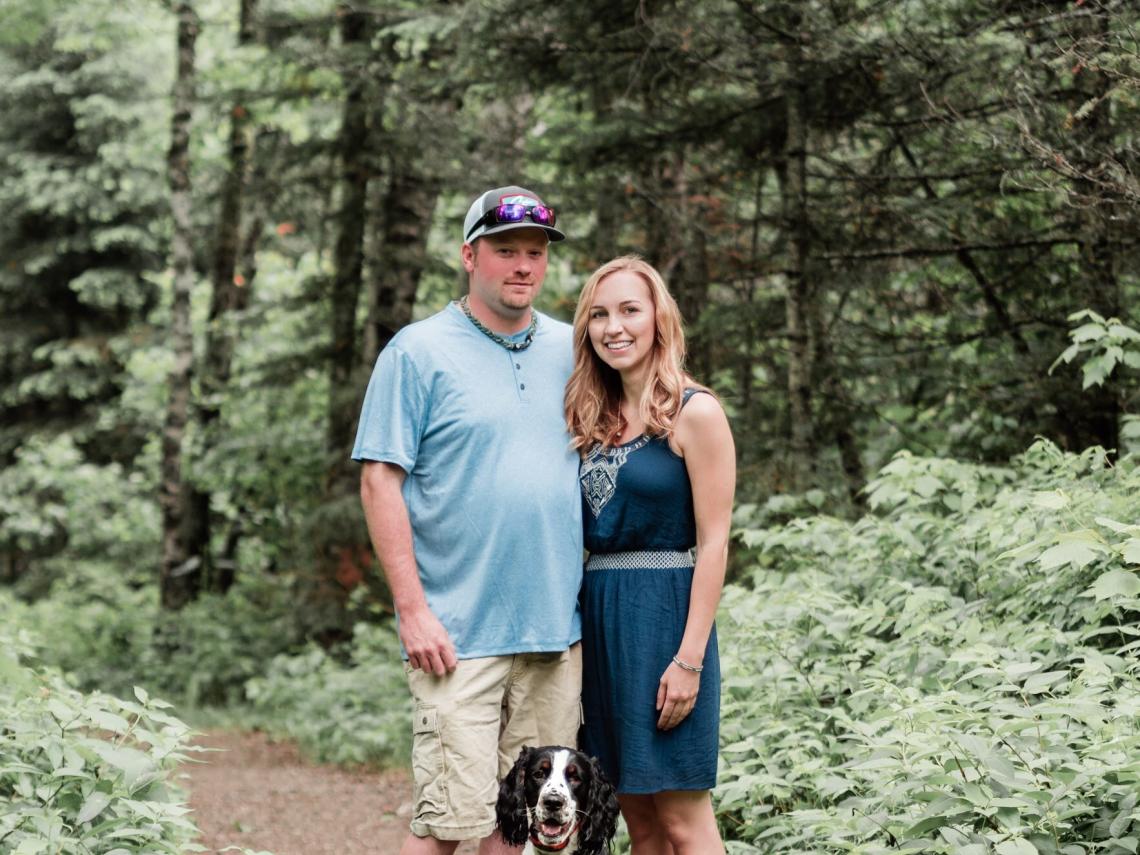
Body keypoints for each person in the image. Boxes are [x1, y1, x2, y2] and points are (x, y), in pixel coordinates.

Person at [353, 186, 584, 855]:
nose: (523, 265)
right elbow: (379, 480)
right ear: (469, 256)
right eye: (505, 250)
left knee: (522, 829)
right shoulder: (417, 351)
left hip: (554, 635)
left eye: (535, 252)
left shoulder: (574, 349)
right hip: (456, 636)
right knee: (445, 825)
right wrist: (412, 610)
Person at [564, 256, 735, 855]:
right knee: (639, 822)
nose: (614, 327)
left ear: (659, 318)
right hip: (599, 624)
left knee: (684, 820)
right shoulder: (589, 416)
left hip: (664, 622)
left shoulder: (695, 412)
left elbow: (714, 542)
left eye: (629, 310)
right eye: (599, 315)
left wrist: (689, 660)